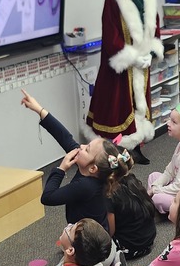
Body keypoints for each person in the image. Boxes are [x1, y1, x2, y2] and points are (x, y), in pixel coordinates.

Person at [86, 0, 164, 164]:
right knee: (117, 110)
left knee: (140, 107)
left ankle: (135, 147)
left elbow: (154, 26)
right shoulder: (113, 1)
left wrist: (151, 52)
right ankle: (112, 154)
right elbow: (111, 39)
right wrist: (133, 58)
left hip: (141, 67)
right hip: (120, 71)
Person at [20, 90, 129, 234]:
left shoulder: (86, 186)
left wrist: (61, 169)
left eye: (87, 149)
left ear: (93, 168)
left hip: (89, 243)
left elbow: (48, 197)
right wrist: (39, 109)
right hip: (95, 233)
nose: (81, 147)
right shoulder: (93, 171)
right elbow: (64, 137)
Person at [109, 172, 157, 259]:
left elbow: (110, 231)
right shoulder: (132, 181)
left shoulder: (111, 195)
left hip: (131, 248)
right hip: (149, 240)